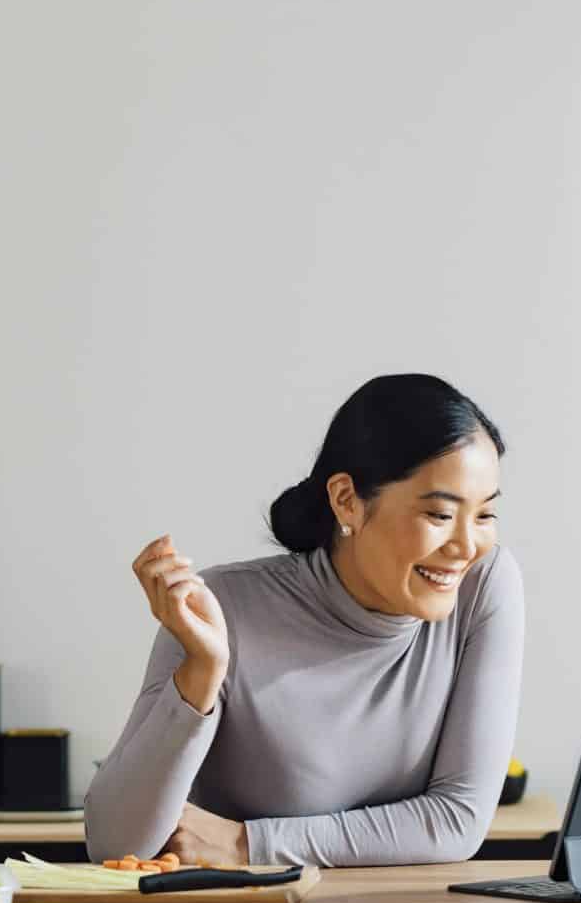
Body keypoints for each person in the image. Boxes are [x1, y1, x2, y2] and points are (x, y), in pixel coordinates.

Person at [85, 372, 525, 869]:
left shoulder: (484, 585)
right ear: (347, 501)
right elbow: (113, 844)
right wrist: (202, 673)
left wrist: (246, 843)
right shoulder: (223, 608)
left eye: (485, 516)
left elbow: (456, 821)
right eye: (440, 516)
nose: (466, 546)